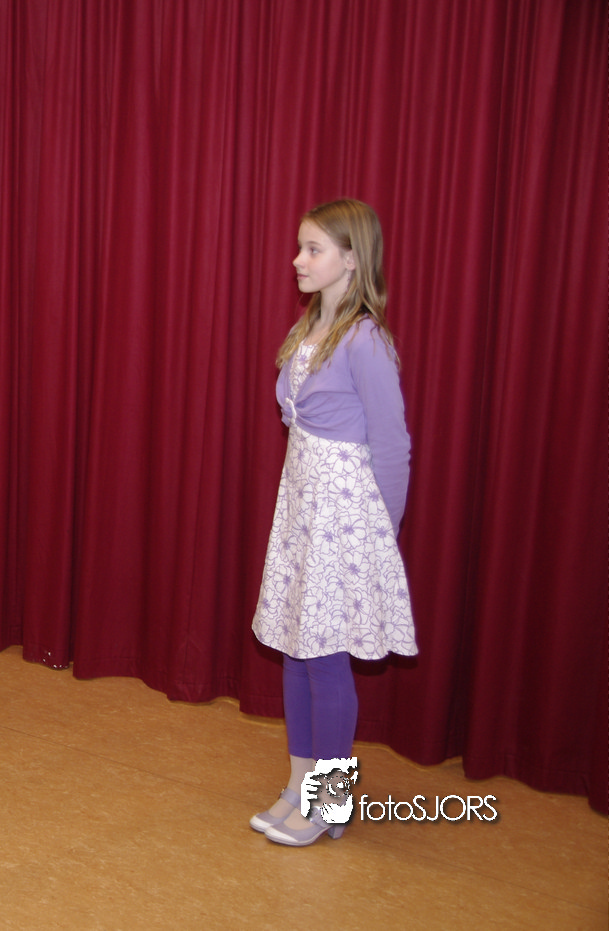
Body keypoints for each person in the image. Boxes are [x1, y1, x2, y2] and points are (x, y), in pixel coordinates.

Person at [248, 199, 416, 846]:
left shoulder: (364, 339)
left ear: (350, 258)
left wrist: (379, 540)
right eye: (300, 246)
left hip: (344, 520)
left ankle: (331, 803)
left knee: (325, 660)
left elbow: (392, 445)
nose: (298, 259)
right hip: (303, 509)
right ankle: (299, 787)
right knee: (296, 648)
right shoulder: (309, 329)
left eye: (312, 249)